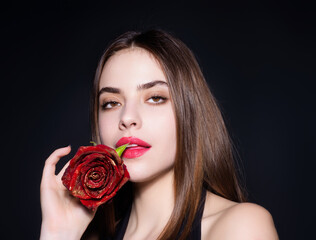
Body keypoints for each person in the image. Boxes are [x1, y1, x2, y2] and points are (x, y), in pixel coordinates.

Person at [40, 29, 278, 240]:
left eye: (155, 98)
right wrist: (58, 233)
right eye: (111, 102)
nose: (127, 117)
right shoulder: (88, 235)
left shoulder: (240, 227)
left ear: (190, 112)